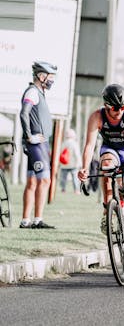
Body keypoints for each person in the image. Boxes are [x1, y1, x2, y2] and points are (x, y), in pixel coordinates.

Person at [77, 84, 124, 270]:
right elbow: (89, 146)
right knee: (106, 165)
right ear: (106, 105)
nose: (119, 111)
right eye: (115, 108)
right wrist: (84, 168)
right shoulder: (97, 116)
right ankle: (108, 207)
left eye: (123, 107)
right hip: (110, 150)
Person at [19, 61, 58, 229]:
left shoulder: (38, 92)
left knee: (33, 182)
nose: (52, 81)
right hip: (37, 145)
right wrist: (29, 137)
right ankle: (37, 220)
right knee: (44, 181)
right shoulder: (33, 91)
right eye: (50, 77)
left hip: (39, 145)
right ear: (41, 77)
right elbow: (24, 113)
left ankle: (26, 220)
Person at [59, 128, 82, 194]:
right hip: (73, 164)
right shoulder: (74, 143)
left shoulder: (63, 143)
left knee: (63, 178)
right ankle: (76, 190)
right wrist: (79, 163)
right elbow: (77, 154)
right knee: (75, 178)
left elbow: (60, 153)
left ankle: (63, 189)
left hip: (64, 164)